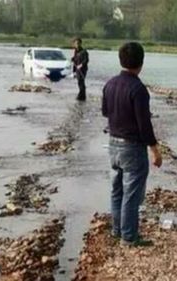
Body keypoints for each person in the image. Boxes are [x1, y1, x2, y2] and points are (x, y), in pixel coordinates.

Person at [102, 42, 163, 246]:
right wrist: (155, 150)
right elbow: (144, 125)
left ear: (121, 60)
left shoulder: (109, 84)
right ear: (141, 63)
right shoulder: (138, 89)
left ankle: (117, 231)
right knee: (131, 194)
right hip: (132, 147)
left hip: (113, 143)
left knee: (117, 190)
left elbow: (105, 112)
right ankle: (129, 237)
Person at [72, 37, 89, 101]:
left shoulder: (84, 51)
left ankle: (81, 96)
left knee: (81, 82)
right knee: (79, 82)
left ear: (81, 43)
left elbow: (86, 60)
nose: (77, 45)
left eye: (78, 43)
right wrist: (73, 71)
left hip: (83, 70)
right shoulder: (75, 51)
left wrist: (81, 65)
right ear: (74, 44)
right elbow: (75, 62)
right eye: (76, 44)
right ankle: (82, 97)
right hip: (77, 70)